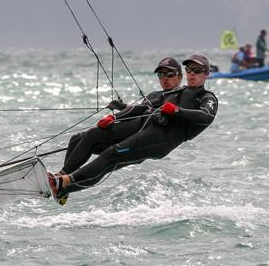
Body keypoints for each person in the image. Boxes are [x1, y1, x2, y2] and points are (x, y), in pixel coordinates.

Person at [48, 54, 218, 204]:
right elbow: (142, 108)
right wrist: (115, 115)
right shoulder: (178, 91)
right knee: (88, 137)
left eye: (197, 70)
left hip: (163, 140)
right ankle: (60, 180)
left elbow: (205, 116)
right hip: (149, 131)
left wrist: (176, 111)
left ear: (206, 74)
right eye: (189, 69)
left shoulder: (207, 97)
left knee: (112, 154)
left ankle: (63, 183)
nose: (192, 74)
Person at [56, 57, 185, 183]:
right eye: (161, 74)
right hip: (130, 129)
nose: (165, 78)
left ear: (180, 76)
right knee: (76, 138)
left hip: (136, 139)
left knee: (93, 135)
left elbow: (158, 116)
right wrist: (121, 107)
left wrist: (115, 117)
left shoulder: (178, 96)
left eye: (170, 74)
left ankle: (62, 177)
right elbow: (139, 110)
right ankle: (64, 180)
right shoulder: (155, 94)